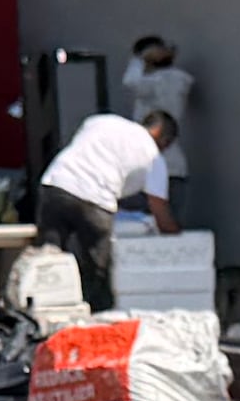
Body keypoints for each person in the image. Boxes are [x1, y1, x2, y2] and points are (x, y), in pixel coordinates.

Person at [33, 104, 178, 308]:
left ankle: (43, 310)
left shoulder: (102, 121)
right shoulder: (154, 158)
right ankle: (96, 318)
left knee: (48, 258)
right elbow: (159, 210)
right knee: (96, 273)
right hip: (95, 201)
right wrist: (177, 234)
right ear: (164, 139)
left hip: (56, 185)